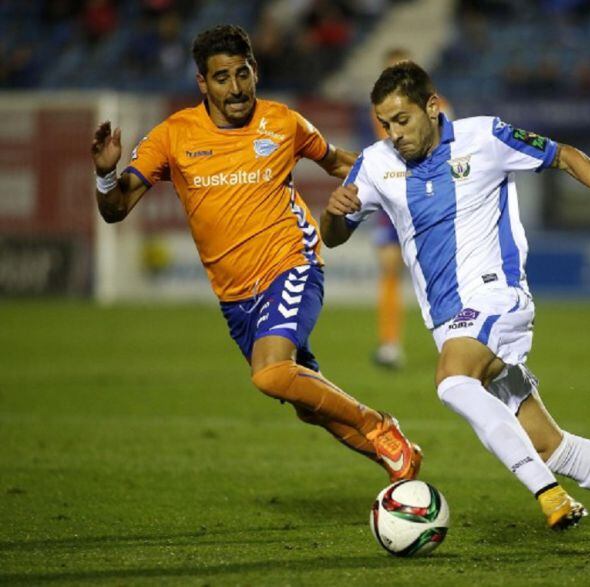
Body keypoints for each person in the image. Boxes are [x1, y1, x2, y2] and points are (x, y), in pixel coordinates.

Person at [321, 60, 590, 551]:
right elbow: (335, 237)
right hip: (450, 320)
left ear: (432, 107)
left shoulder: (485, 137)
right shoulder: (376, 163)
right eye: (385, 123)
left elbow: (566, 156)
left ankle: (548, 495)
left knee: (452, 381)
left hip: (497, 295)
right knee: (548, 445)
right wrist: (333, 215)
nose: (394, 133)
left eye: (402, 120)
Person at [90, 24, 421, 484]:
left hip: (292, 263)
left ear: (255, 71)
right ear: (202, 83)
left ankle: (379, 426)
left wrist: (410, 174)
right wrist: (107, 176)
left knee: (269, 374)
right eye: (222, 78)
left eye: (242, 74)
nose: (236, 87)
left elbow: (341, 162)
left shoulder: (283, 122)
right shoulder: (172, 136)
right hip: (235, 298)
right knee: (308, 405)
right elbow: (116, 209)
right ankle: (401, 466)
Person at [368, 48, 454, 369]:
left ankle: (453, 337)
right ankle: (389, 344)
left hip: (429, 197)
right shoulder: (379, 109)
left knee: (438, 269)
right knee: (390, 268)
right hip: (394, 196)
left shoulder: (437, 105)